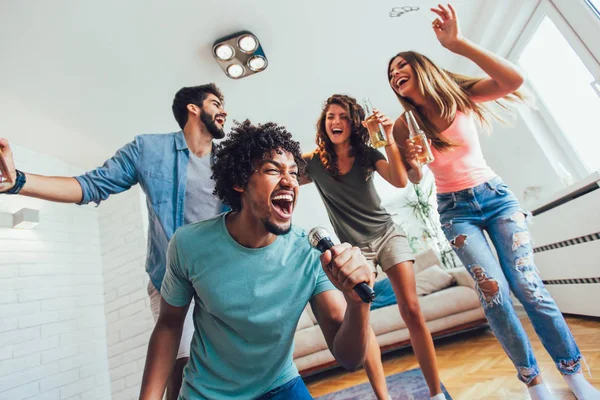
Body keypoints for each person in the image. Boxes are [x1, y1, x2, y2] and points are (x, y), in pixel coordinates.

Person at [388, 4, 600, 400]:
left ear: (421, 68)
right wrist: (415, 163)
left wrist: (457, 42)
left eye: (402, 66)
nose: (395, 73)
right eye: (390, 74)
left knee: (528, 287)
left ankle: (574, 376)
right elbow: (415, 178)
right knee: (495, 294)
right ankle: (535, 385)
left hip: (496, 198)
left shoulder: (459, 95)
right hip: (455, 211)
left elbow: (513, 79)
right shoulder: (404, 126)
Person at [0, 83, 229, 400]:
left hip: (224, 279)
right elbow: (88, 185)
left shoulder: (232, 159)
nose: (224, 110)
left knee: (231, 366)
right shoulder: (149, 150)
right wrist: (18, 182)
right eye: (216, 103)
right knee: (183, 371)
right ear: (194, 108)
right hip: (173, 280)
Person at [138, 119, 375, 399]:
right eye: (273, 170)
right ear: (239, 182)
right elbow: (168, 325)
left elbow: (349, 359)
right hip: (207, 393)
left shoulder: (311, 254)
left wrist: (358, 305)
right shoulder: (189, 244)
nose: (289, 181)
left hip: (280, 385)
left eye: (294, 173)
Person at [301, 94, 447, 400]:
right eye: (330, 117)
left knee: (412, 310)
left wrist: (389, 138)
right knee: (362, 321)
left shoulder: (367, 154)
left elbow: (399, 181)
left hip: (387, 234)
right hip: (354, 250)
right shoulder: (313, 163)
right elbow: (282, 172)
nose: (335, 122)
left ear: (353, 124)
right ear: (323, 123)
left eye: (342, 117)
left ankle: (435, 394)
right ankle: (384, 398)